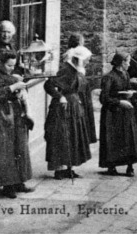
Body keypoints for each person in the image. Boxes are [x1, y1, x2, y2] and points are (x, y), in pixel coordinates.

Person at [0, 51, 33, 198]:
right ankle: (8, 185)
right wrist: (14, 86)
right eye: (8, 65)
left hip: (14, 113)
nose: (11, 68)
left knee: (19, 146)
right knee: (5, 149)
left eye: (13, 65)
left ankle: (18, 182)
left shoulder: (9, 74)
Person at [44, 40, 92, 180]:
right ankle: (59, 170)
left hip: (74, 107)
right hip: (63, 109)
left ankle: (69, 168)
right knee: (61, 137)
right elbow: (49, 85)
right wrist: (60, 97)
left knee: (73, 136)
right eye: (87, 60)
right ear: (79, 59)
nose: (88, 63)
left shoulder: (76, 70)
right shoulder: (66, 70)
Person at [99, 52, 137, 176]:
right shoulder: (109, 77)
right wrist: (119, 102)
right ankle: (112, 166)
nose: (129, 64)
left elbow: (126, 88)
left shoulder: (125, 74)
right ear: (122, 63)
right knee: (113, 139)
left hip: (125, 111)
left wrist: (129, 95)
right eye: (127, 62)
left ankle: (129, 166)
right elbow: (104, 98)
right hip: (112, 113)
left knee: (128, 138)